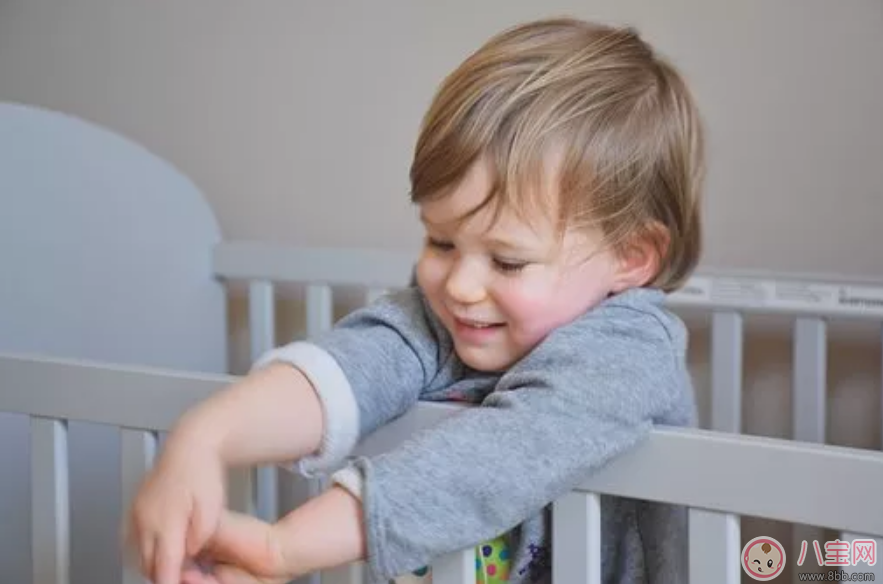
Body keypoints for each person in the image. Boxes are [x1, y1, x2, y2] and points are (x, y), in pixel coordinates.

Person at [127, 16, 705, 584]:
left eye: (507, 261)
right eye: (441, 241)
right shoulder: (453, 320)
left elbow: (502, 456)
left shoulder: (630, 351)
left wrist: (285, 547)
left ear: (631, 257)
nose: (459, 285)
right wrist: (204, 438)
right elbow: (351, 367)